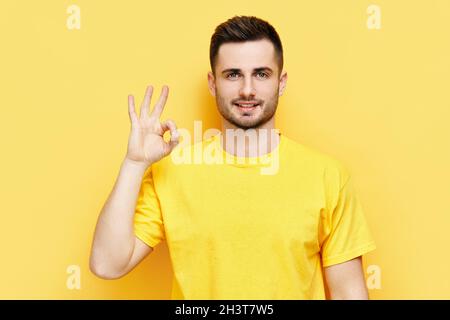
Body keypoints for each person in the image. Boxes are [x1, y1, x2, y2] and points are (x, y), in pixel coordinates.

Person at [89, 15, 376, 299]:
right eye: (233, 74)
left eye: (261, 74)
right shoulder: (173, 172)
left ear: (282, 82)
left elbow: (349, 292)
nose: (247, 90)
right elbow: (107, 264)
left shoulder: (327, 176)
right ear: (213, 84)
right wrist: (134, 164)